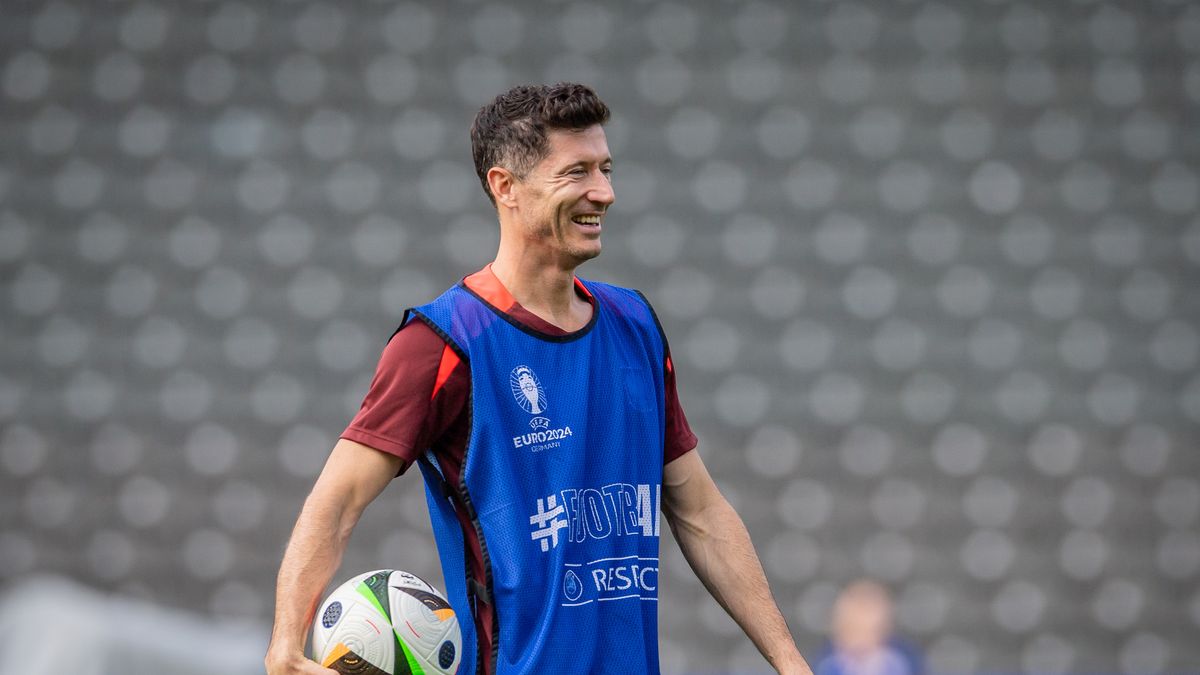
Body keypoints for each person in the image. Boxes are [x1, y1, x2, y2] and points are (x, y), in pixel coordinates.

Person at [264, 82, 811, 675]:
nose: (604, 192)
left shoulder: (637, 327)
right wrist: (284, 647)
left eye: (606, 169)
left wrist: (790, 662)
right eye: (577, 172)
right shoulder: (443, 343)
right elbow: (338, 500)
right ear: (506, 187)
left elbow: (701, 512)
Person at [814, 580, 922, 675]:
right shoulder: (823, 665)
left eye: (868, 631)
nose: (859, 641)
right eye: (852, 629)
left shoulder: (903, 663)